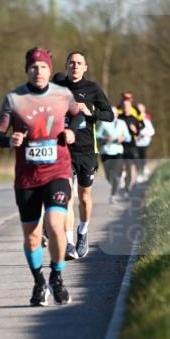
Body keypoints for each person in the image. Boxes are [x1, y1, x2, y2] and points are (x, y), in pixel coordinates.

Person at [0, 46, 79, 306]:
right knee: (31, 234)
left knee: (55, 226)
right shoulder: (14, 98)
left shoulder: (63, 94)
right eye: (33, 67)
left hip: (58, 171)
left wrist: (72, 132)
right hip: (27, 177)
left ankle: (58, 277)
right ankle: (39, 282)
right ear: (26, 70)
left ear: (49, 70)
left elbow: (79, 117)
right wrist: (10, 140)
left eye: (42, 66)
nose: (37, 71)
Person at [52, 50, 113, 259]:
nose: (75, 66)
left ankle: (83, 231)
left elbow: (110, 115)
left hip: (86, 150)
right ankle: (69, 243)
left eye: (79, 63)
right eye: (71, 63)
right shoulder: (58, 88)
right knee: (67, 197)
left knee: (85, 197)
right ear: (66, 65)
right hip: (63, 150)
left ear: (85, 67)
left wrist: (90, 112)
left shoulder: (93, 88)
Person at [96, 111, 130, 204]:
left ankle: (113, 195)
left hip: (118, 151)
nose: (113, 114)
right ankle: (116, 185)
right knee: (108, 175)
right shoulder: (104, 122)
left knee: (115, 174)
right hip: (106, 152)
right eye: (111, 113)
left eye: (115, 113)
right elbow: (96, 135)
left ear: (117, 114)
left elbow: (128, 137)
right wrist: (105, 139)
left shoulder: (122, 123)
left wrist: (123, 138)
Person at [117, 93, 143, 197]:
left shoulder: (134, 118)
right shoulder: (119, 118)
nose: (126, 107)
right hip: (120, 145)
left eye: (128, 106)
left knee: (130, 167)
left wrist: (135, 130)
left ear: (130, 107)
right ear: (122, 107)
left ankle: (128, 188)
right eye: (124, 105)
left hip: (131, 145)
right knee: (121, 166)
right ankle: (123, 179)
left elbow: (138, 131)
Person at [135, 102, 155, 181]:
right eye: (138, 109)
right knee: (136, 158)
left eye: (141, 109)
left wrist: (144, 133)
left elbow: (152, 131)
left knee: (142, 157)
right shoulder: (134, 117)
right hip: (135, 142)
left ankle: (142, 172)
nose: (139, 110)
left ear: (144, 109)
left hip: (144, 142)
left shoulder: (147, 118)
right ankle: (140, 172)